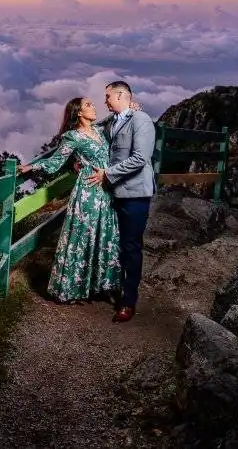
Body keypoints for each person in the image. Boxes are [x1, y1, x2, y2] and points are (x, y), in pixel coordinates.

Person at [18, 97, 121, 304]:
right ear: (79, 113)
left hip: (107, 191)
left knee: (104, 235)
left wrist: (131, 108)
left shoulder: (100, 131)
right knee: (82, 238)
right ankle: (71, 288)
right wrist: (32, 166)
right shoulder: (72, 137)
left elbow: (117, 118)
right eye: (88, 105)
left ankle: (100, 285)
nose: (93, 107)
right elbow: (56, 162)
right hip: (88, 193)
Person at [85, 80, 156, 323]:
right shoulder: (113, 121)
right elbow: (94, 128)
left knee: (131, 247)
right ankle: (108, 285)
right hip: (114, 193)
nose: (104, 101)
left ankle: (128, 301)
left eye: (107, 97)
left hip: (135, 194)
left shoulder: (141, 120)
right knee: (115, 244)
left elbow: (140, 159)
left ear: (119, 95)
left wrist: (107, 173)